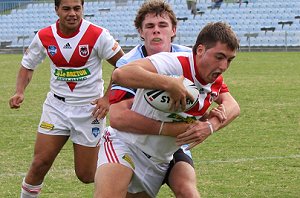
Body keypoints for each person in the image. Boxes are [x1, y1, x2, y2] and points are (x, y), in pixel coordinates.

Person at [95, 21, 240, 197]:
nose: (224, 66)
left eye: (229, 60)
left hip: (159, 160)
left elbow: (233, 107)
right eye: (219, 57)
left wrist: (210, 125)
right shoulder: (173, 63)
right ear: (200, 50)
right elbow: (120, 74)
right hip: (126, 144)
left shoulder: (214, 81)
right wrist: (169, 83)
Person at [8, 0, 124, 197]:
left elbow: (124, 65)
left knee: (86, 175)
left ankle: (118, 156)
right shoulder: (44, 36)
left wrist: (107, 99)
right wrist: (20, 91)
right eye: (67, 9)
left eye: (77, 8)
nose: (72, 13)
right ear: (56, 10)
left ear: (83, 9)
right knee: (39, 163)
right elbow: (28, 65)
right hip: (56, 108)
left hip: (90, 110)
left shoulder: (97, 35)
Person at [96, 0, 200, 197]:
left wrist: (211, 124)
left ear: (174, 30)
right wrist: (172, 128)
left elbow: (228, 102)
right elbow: (118, 118)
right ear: (140, 32)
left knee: (188, 191)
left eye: (162, 25)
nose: (156, 31)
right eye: (149, 26)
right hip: (134, 142)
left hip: (171, 146)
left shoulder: (190, 58)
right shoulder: (127, 63)